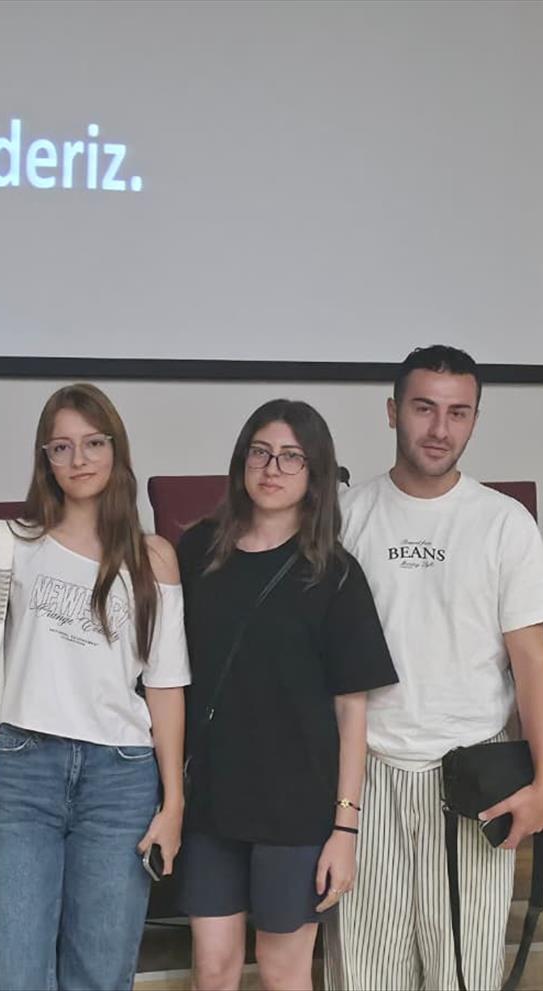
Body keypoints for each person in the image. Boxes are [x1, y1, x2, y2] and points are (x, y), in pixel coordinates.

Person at [0, 383, 188, 990]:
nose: (78, 459)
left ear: (116, 450)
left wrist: (173, 803)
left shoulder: (153, 559)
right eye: (61, 447)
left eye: (93, 443)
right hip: (23, 771)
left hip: (121, 780)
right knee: (11, 970)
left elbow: (166, 686)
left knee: (101, 971)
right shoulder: (13, 543)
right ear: (45, 458)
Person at [324, 345, 543, 990]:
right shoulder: (347, 516)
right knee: (366, 976)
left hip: (473, 774)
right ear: (392, 412)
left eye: (458, 413)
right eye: (424, 409)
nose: (440, 428)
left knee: (464, 976)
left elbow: (532, 665)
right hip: (366, 771)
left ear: (474, 420)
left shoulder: (502, 522)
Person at [177, 399, 398, 991]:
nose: (272, 468)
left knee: (283, 971)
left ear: (316, 473)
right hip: (211, 801)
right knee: (213, 968)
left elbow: (352, 711)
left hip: (296, 809)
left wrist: (345, 830)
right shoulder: (197, 552)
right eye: (261, 452)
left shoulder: (335, 575)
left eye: (291, 457)